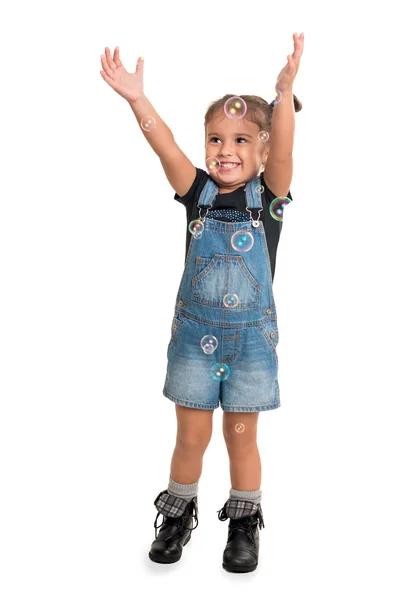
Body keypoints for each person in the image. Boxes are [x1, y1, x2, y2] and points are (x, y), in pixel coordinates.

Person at [100, 32, 304, 574]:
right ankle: (178, 512)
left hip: (252, 345)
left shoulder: (270, 199)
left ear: (261, 151)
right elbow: (165, 144)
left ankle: (243, 523)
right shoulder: (197, 191)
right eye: (216, 139)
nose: (225, 150)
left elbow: (283, 147)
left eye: (241, 140)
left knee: (243, 441)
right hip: (195, 339)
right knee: (190, 436)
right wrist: (137, 100)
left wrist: (284, 96)